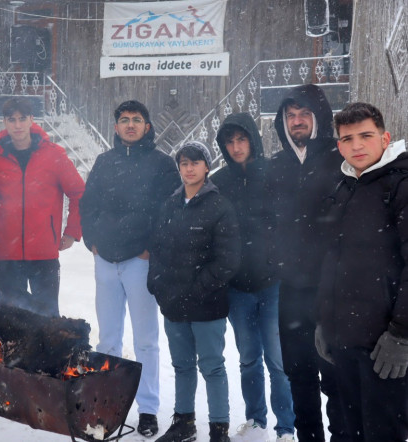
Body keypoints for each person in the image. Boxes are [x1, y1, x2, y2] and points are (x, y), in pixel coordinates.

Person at [80, 100, 179, 438]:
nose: (131, 125)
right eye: (124, 120)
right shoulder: (104, 162)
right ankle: (106, 403)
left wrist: (151, 249)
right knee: (108, 338)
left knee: (146, 340)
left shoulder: (162, 164)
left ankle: (148, 408)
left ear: (147, 126)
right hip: (105, 260)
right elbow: (87, 202)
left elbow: (169, 209)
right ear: (116, 126)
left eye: (137, 120)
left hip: (140, 260)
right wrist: (91, 239)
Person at [316, 102, 408, 441]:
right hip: (342, 342)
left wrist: (402, 334)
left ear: (385, 139)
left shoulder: (401, 186)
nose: (357, 145)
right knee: (343, 430)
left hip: (384, 347)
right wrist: (324, 322)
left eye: (366, 136)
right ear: (338, 145)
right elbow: (332, 262)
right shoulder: (343, 188)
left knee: (382, 433)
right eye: (348, 138)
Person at [266, 84, 348, 441]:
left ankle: (343, 435)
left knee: (334, 374)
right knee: (298, 373)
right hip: (290, 290)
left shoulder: (338, 158)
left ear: (318, 118)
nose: (296, 121)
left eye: (304, 114)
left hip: (331, 288)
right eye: (290, 116)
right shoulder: (277, 166)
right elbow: (266, 221)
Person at [211, 114, 295, 442]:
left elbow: (290, 221)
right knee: (248, 359)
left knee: (278, 360)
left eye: (241, 139)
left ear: (252, 140)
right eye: (230, 142)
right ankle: (256, 420)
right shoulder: (218, 181)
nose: (236, 147)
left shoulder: (273, 174)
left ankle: (286, 427)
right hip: (237, 288)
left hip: (273, 283)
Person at [149, 141, 240, 442]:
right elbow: (158, 250)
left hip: (207, 303)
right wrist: (158, 286)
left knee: (212, 366)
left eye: (195, 162)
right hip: (174, 304)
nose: (189, 168)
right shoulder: (169, 205)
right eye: (184, 163)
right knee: (182, 365)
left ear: (207, 167)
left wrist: (197, 289)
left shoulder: (219, 207)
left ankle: (219, 429)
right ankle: (184, 423)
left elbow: (227, 260)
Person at [0, 97, 85, 317]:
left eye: (22, 119)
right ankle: (16, 353)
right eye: (12, 119)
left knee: (47, 320)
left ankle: (47, 353)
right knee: (10, 321)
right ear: (5, 122)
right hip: (6, 254)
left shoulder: (54, 155)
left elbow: (79, 193)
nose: (17, 125)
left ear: (31, 120)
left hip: (44, 254)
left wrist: (72, 231)